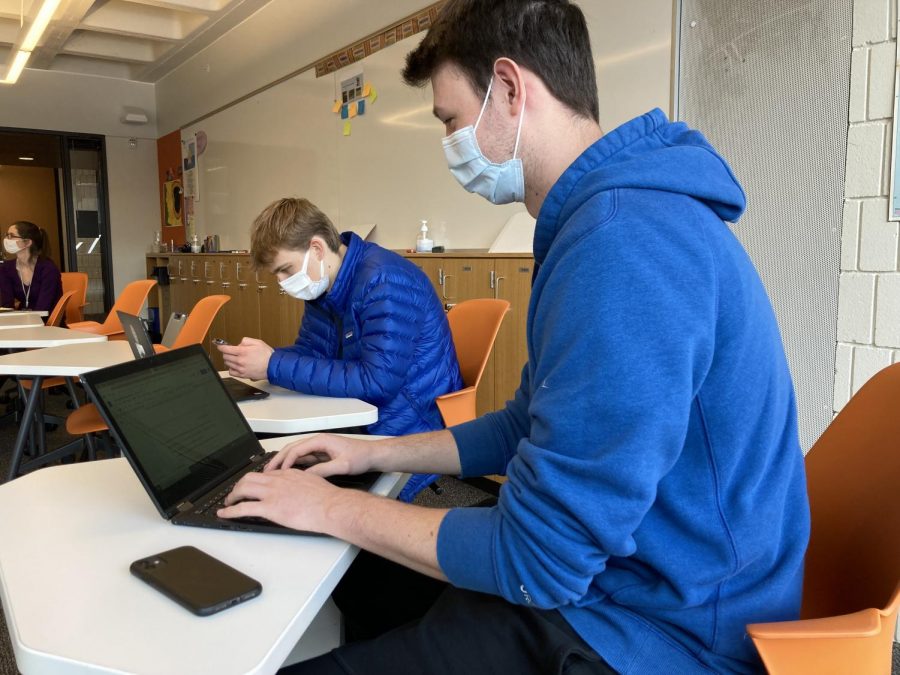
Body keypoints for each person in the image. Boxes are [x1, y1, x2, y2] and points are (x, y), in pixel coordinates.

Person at [219, 1, 810, 673]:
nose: (449, 142)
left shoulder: (623, 246)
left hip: (662, 632)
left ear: (508, 89)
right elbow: (519, 426)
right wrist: (369, 454)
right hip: (622, 580)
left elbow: (538, 560)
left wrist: (327, 508)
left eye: (449, 118)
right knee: (373, 590)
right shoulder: (603, 222)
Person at [217, 197, 462, 501]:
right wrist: (263, 359)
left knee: (298, 484)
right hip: (364, 409)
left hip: (409, 420)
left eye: (285, 269)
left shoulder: (384, 280)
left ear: (317, 249)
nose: (282, 283)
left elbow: (378, 382)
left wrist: (273, 365)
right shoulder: (326, 285)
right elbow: (312, 352)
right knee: (268, 457)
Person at [0, 221, 62, 315]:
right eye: (6, 235)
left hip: (48, 323)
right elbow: (7, 305)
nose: (6, 239)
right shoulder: (6, 268)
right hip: (22, 321)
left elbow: (43, 308)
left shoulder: (49, 269)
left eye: (11, 236)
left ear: (27, 242)